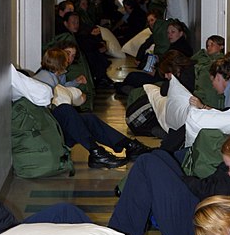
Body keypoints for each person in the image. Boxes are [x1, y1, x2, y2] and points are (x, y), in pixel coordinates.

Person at [12, 47, 152, 169]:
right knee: (65, 110)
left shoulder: (44, 80)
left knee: (88, 118)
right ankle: (96, 151)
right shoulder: (40, 84)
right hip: (45, 137)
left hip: (49, 129)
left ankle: (126, 146)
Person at [191, 35, 226, 109]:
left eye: (212, 44)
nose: (209, 47)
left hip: (212, 95)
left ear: (221, 46)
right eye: (207, 45)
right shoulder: (201, 58)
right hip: (199, 93)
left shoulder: (222, 62)